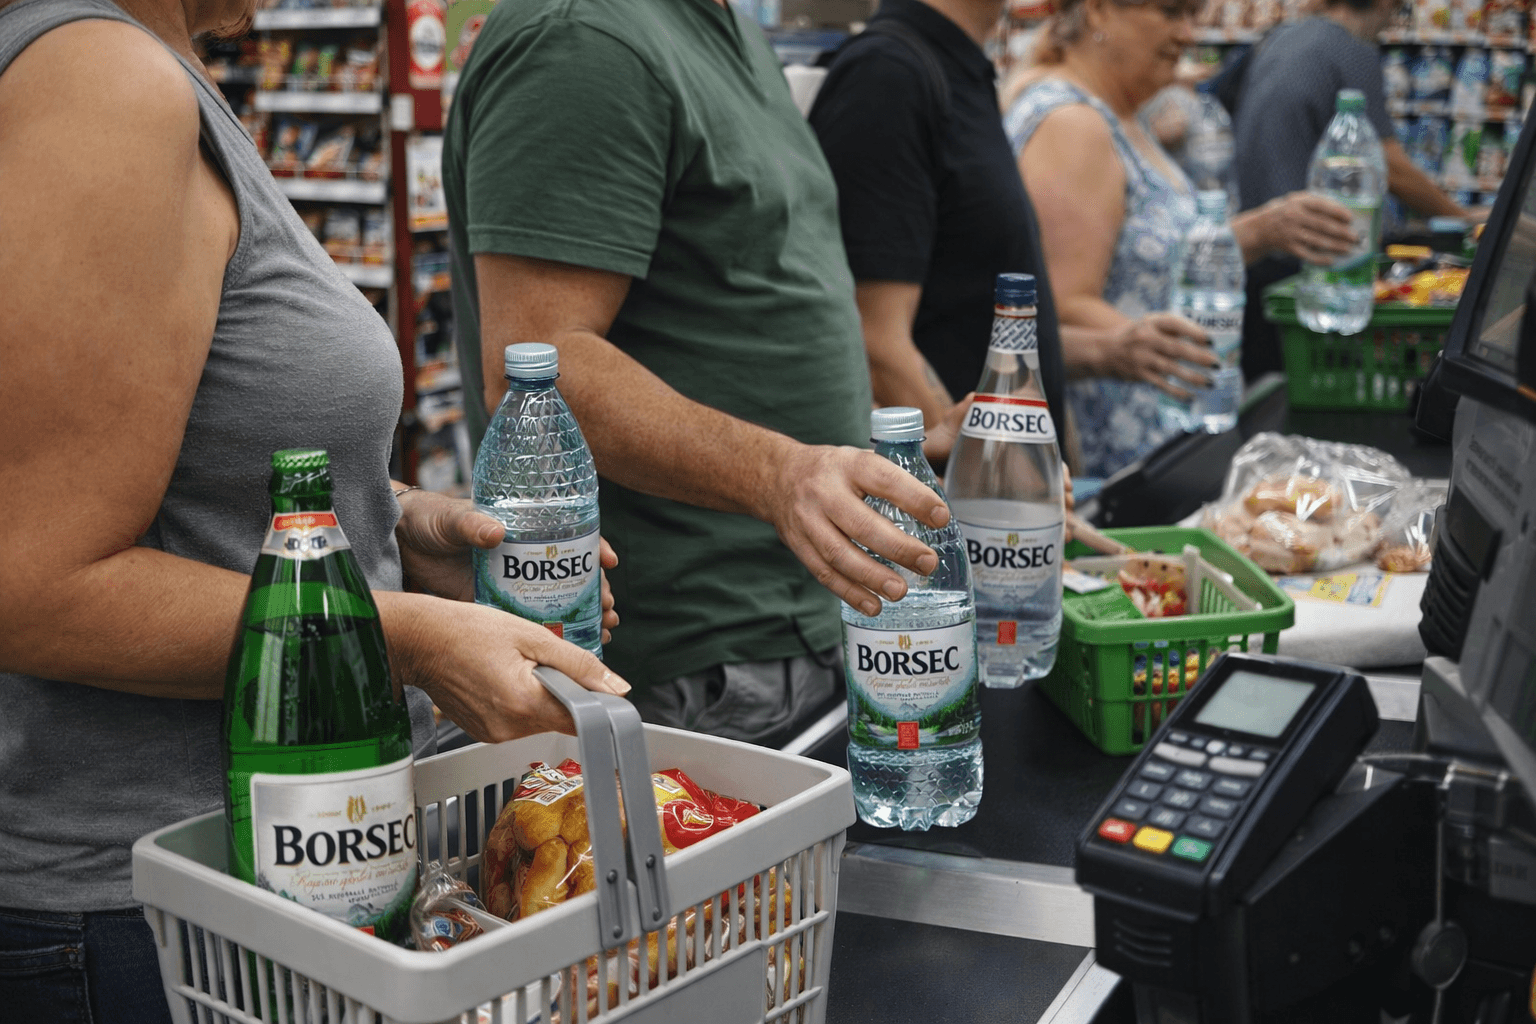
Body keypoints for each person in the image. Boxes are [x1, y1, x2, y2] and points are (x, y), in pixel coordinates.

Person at [0, 0, 625, 1018]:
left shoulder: (145, 73)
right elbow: (30, 581)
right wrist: (411, 638)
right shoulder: (102, 82)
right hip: (163, 919)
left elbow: (191, 470)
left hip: (278, 876)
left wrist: (391, 525)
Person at [443, 0, 951, 746]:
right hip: (694, 659)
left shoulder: (720, 27)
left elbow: (738, 305)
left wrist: (920, 445)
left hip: (788, 628)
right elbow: (539, 362)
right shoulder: (585, 35)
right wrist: (781, 474)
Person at [1003, 0, 1360, 479]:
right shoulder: (1072, 125)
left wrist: (1260, 231)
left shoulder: (1118, 114)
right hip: (1122, 461)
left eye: (1193, 16)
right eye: (1172, 13)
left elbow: (1148, 258)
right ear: (1098, 12)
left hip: (1169, 436)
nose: (1188, 33)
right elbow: (1064, 307)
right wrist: (1191, 365)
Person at [807, 0, 1070, 465]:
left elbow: (961, 304)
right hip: (954, 518)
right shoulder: (889, 74)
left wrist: (1106, 353)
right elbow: (873, 337)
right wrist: (988, 480)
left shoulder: (952, 67)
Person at [1232, 0, 1475, 379]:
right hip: (1310, 268)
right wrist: (1461, 217)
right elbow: (1391, 167)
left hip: (1258, 257)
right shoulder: (1351, 50)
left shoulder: (1282, 36)